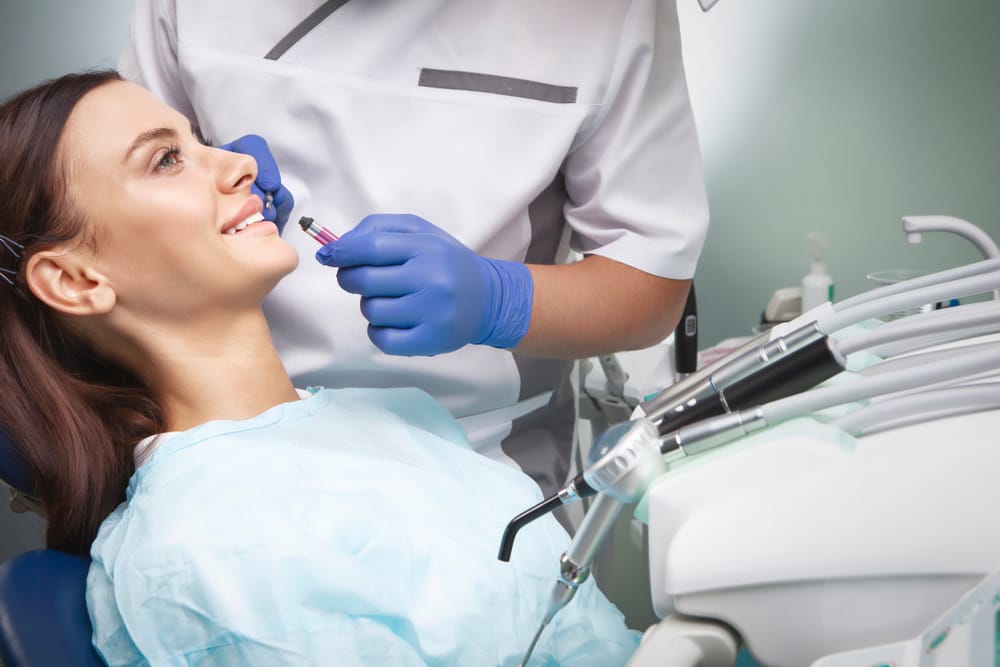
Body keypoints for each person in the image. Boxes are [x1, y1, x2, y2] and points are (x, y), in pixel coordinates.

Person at [0, 71, 639, 665]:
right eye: (167, 159)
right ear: (76, 281)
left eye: (202, 140)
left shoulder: (373, 418)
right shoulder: (211, 553)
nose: (244, 163)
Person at [119, 0, 710, 498]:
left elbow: (650, 279)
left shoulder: (605, 14)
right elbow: (105, 203)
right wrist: (196, 156)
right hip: (223, 445)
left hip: (482, 462)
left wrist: (499, 300)